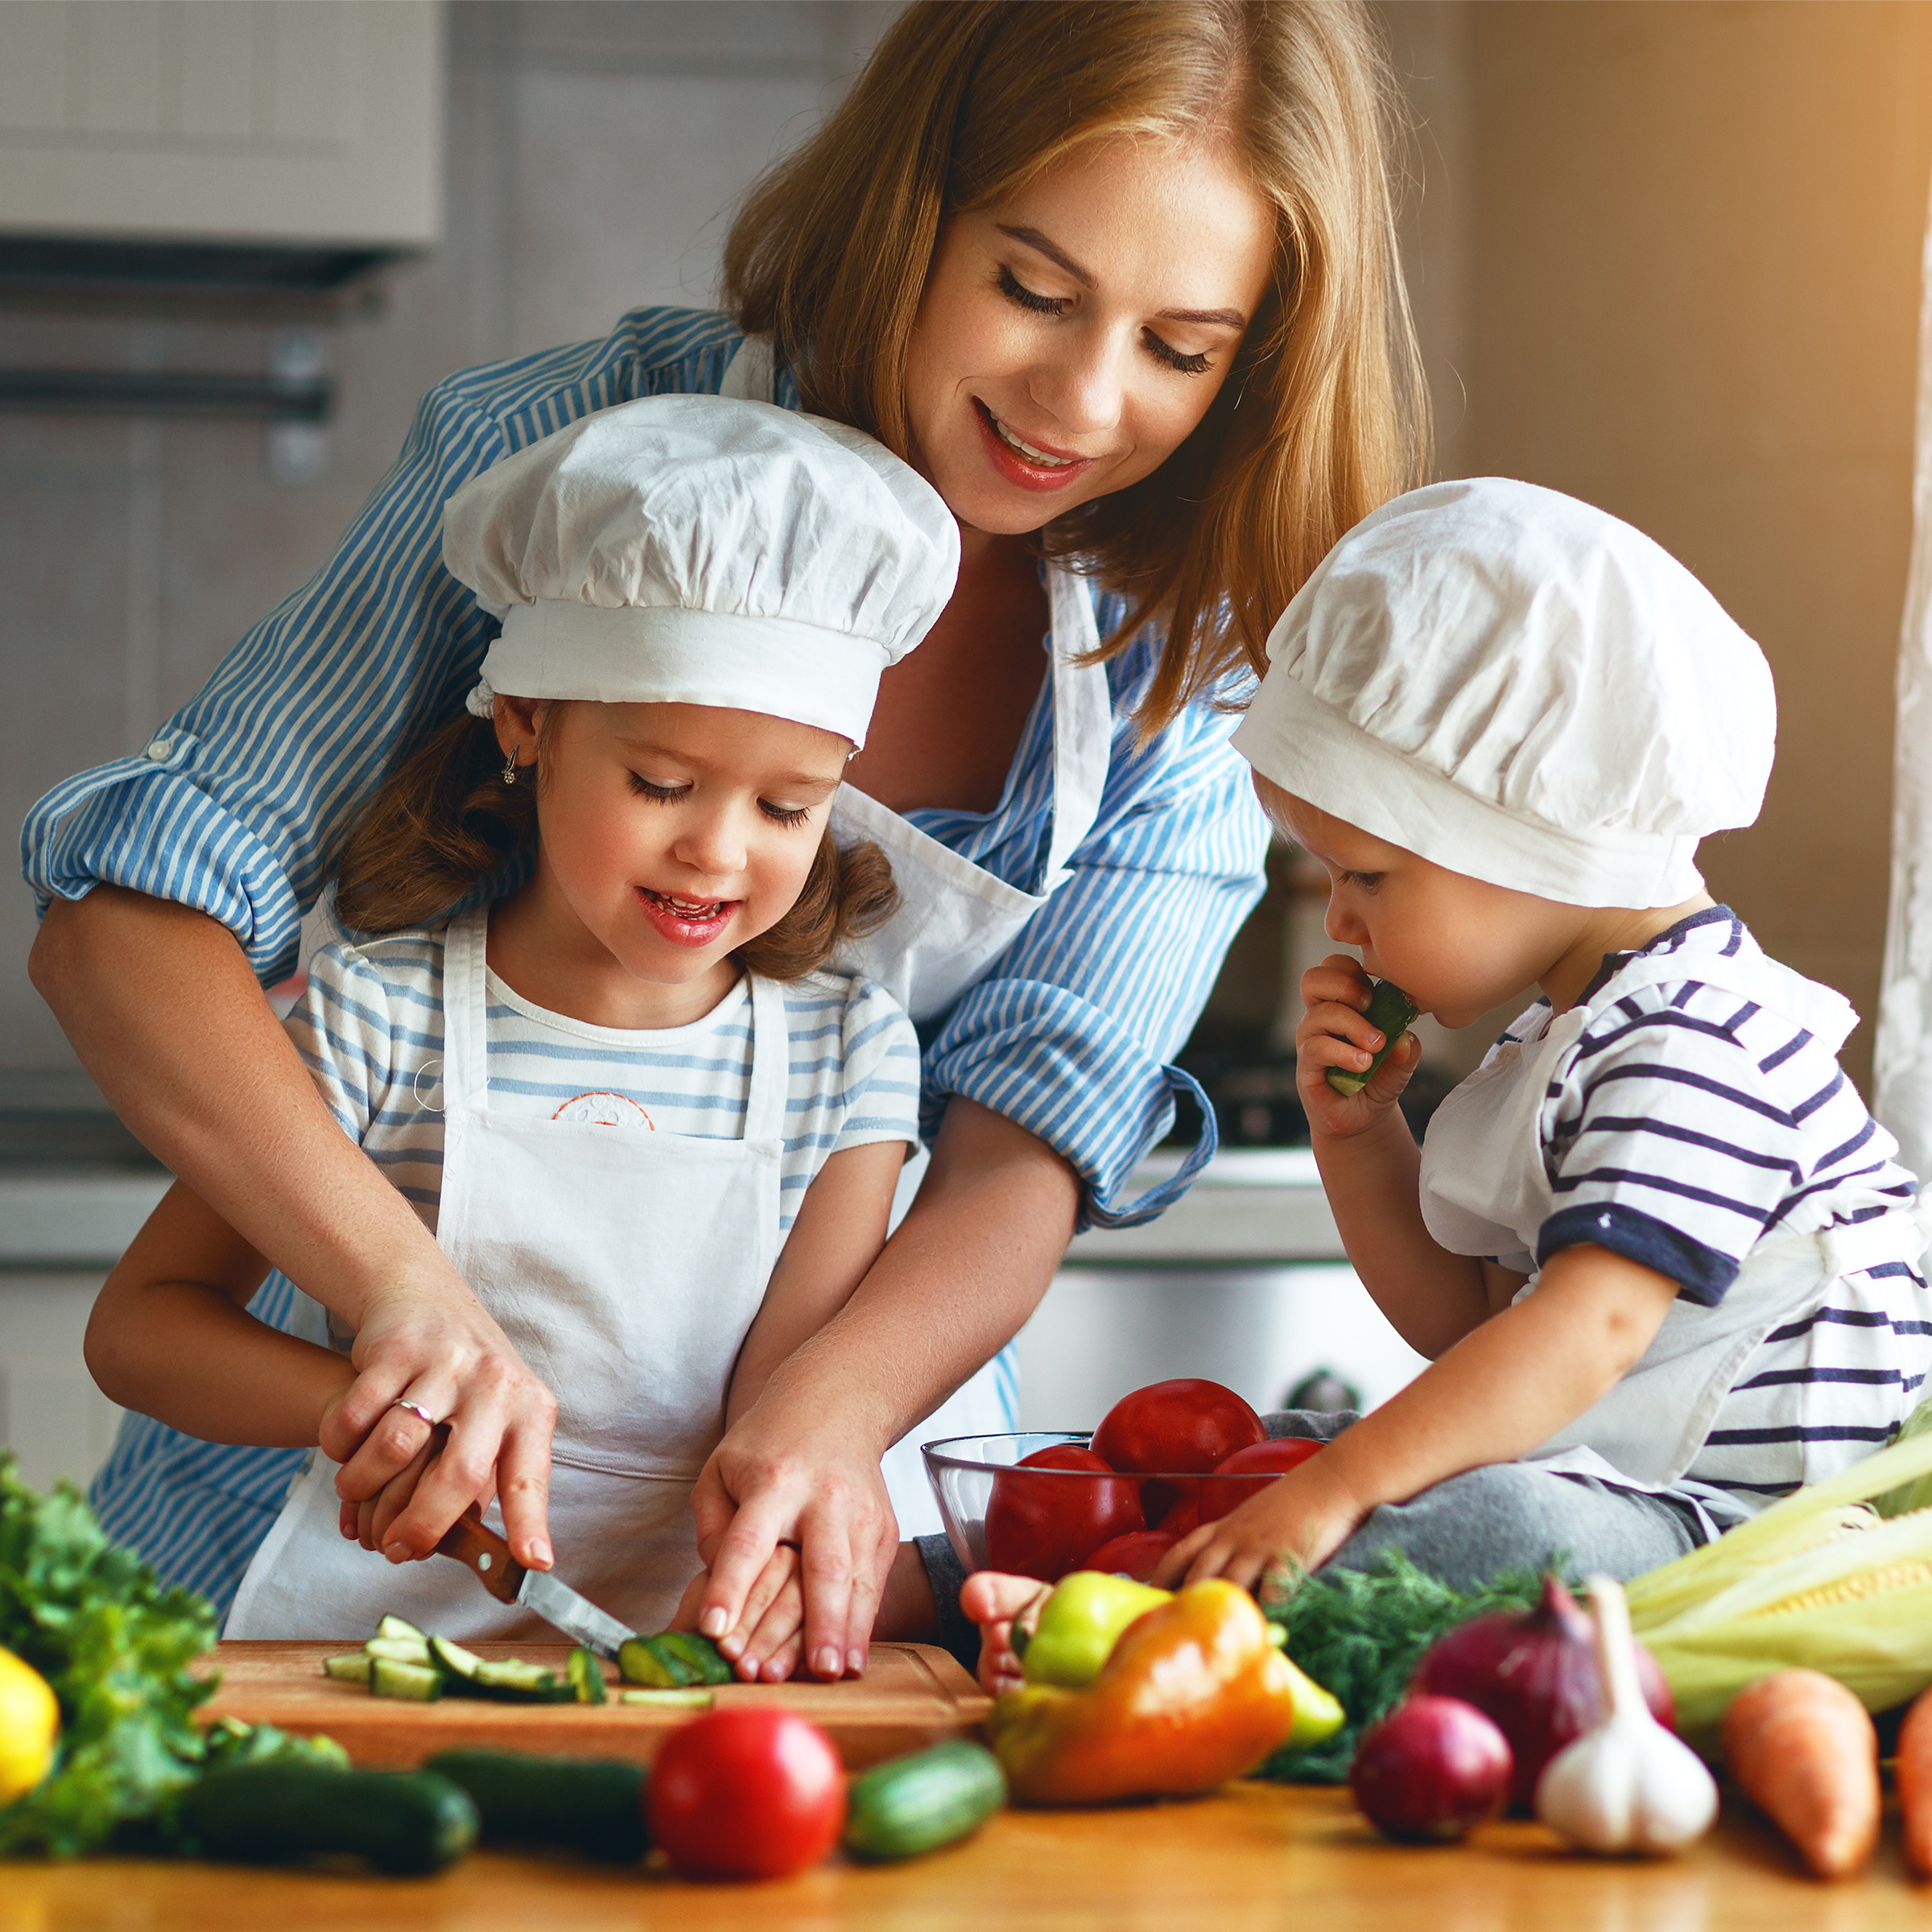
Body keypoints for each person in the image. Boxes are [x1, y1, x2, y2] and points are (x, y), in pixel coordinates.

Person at [26, 0, 1425, 1682]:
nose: (1082, 395)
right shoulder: (565, 452)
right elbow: (133, 920)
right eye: (1032, 291)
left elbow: (1017, 1151)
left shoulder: (1179, 669)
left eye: (1182, 348)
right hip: (296, 1556)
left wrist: (825, 1420)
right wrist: (401, 1308)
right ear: (913, 205)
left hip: (774, 1563)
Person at [953, 479, 1932, 1691]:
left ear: (1521, 837)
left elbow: (1584, 1336)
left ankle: (1125, 1637)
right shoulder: (1572, 1028)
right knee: (1266, 1456)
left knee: (1490, 1527)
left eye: (1364, 875)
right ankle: (978, 1579)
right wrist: (1363, 1143)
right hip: (1608, 1469)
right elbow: (1473, 1328)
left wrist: (1340, 1491)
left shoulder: (1697, 1042)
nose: (1341, 922)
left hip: (1723, 1525)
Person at [83, 396, 943, 1669]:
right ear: (528, 720)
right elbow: (140, 1328)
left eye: (788, 805)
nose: (717, 848)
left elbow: (776, 1419)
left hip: (673, 1661)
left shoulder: (849, 1058)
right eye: (662, 783)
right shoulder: (381, 1017)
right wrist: (357, 1408)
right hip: (352, 1659)